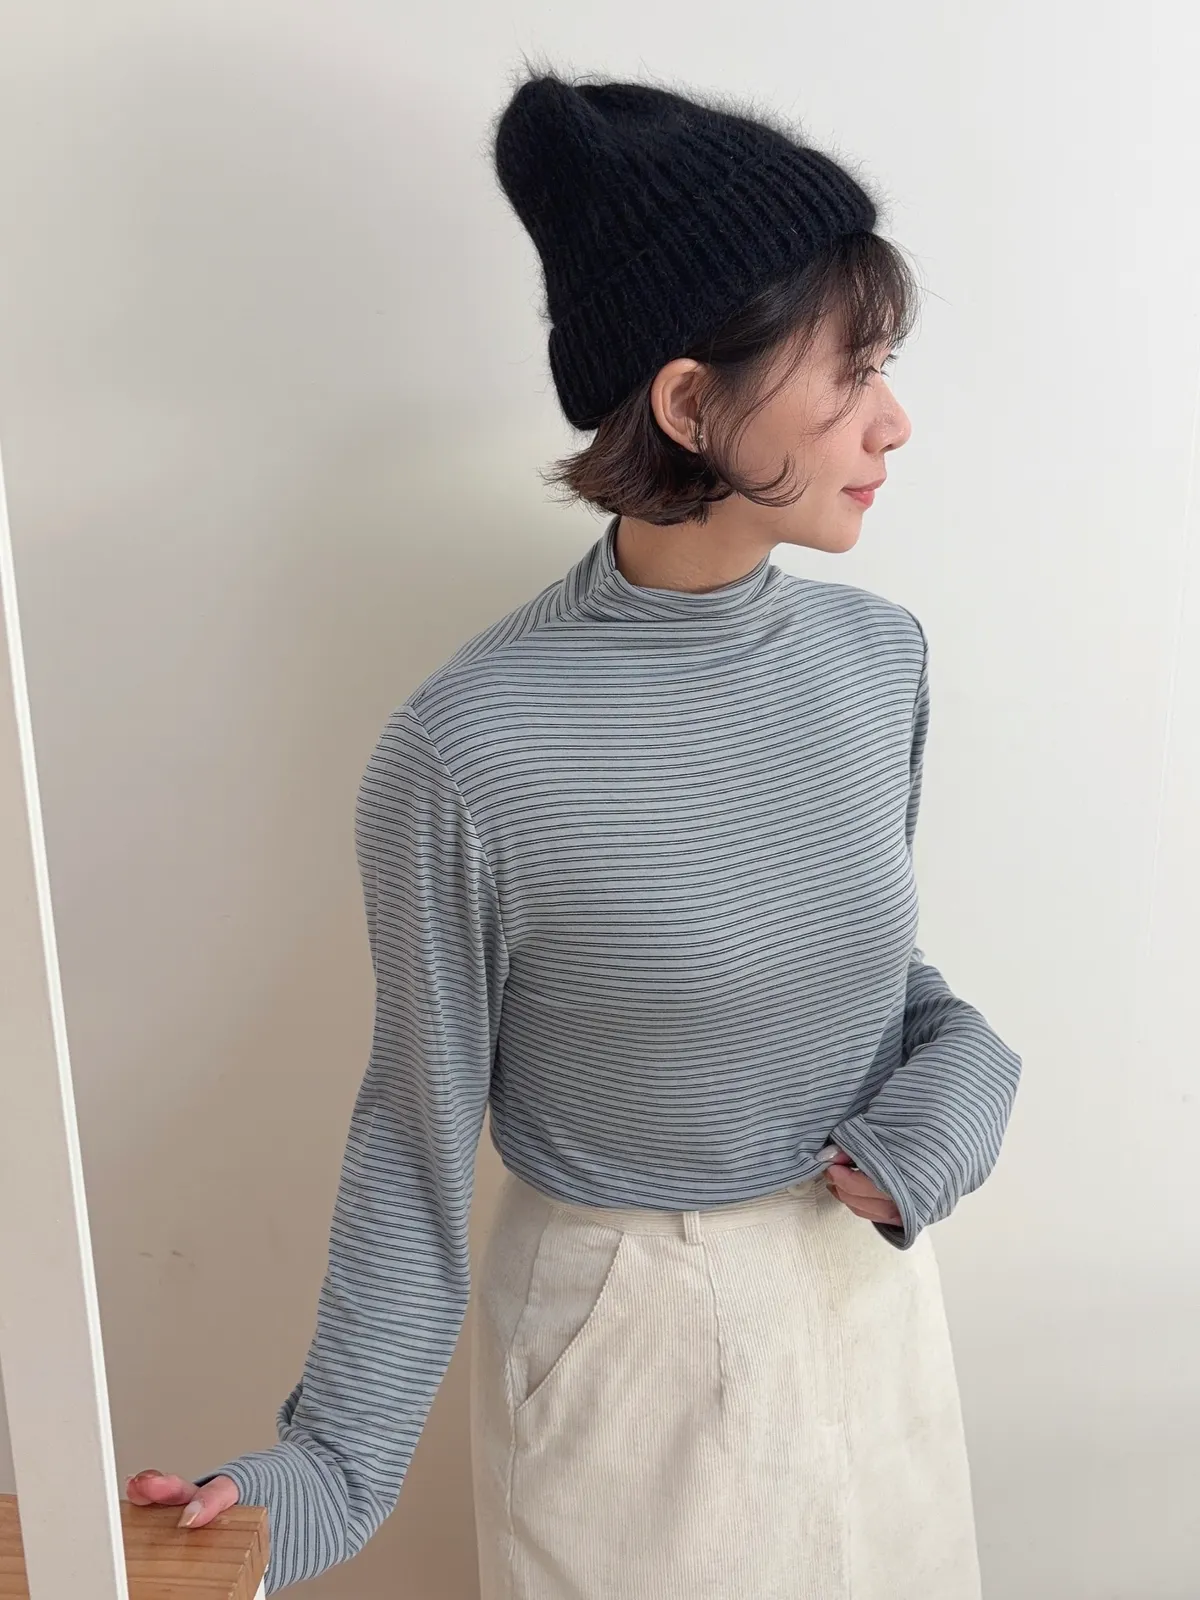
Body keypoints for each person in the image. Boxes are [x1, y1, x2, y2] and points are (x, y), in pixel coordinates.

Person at [128, 64, 1023, 1598]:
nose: (895, 420)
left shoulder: (882, 661)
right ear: (688, 403)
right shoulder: (468, 749)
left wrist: (961, 1092)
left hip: (871, 1318)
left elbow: (882, 979)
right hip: (626, 1350)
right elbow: (412, 1140)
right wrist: (322, 1475)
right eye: (849, 372)